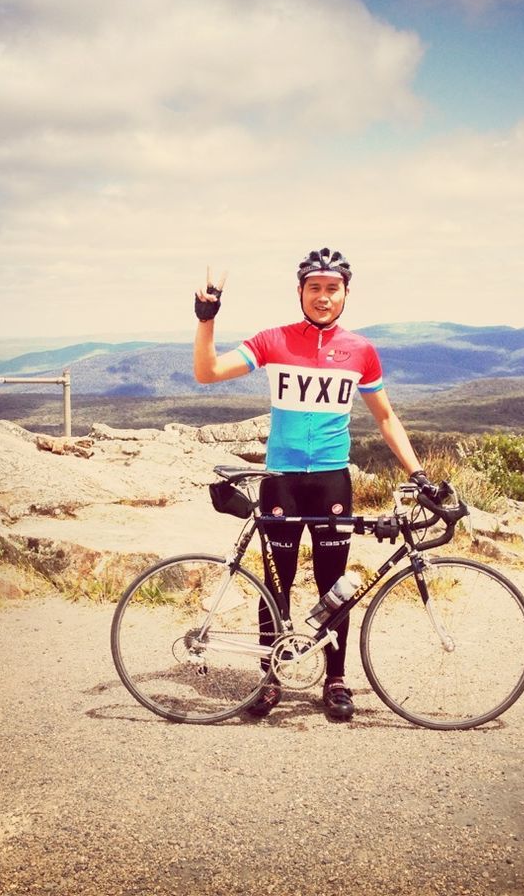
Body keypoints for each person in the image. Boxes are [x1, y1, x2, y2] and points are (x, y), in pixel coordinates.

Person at [193, 248, 436, 722]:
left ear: (346, 292)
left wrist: (418, 473)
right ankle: (270, 675)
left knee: (334, 585)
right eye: (314, 288)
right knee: (275, 587)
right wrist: (206, 319)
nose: (323, 298)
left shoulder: (360, 350)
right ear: (300, 292)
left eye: (333, 288)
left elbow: (386, 418)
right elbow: (207, 373)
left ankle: (336, 678)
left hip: (331, 483)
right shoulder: (274, 340)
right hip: (280, 482)